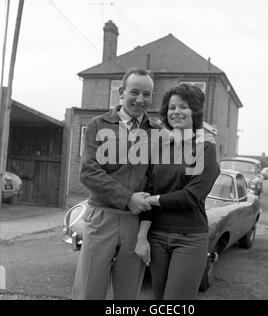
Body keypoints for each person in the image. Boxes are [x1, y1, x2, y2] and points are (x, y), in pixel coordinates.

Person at [72, 68, 160, 300]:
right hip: (102, 217)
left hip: (136, 223)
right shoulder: (97, 125)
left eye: (147, 94)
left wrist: (143, 229)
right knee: (89, 291)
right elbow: (89, 172)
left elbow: (155, 180)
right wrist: (127, 198)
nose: (141, 99)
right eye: (134, 92)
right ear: (121, 92)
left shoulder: (156, 133)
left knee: (128, 295)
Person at [135, 83, 220, 300]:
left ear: (195, 112)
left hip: (189, 238)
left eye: (183, 106)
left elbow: (190, 197)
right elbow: (148, 188)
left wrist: (152, 200)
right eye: (172, 108)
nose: (176, 112)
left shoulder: (205, 149)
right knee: (159, 298)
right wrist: (142, 237)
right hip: (157, 238)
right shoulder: (160, 148)